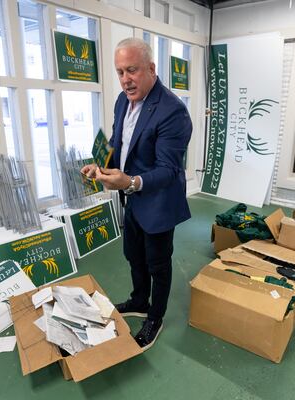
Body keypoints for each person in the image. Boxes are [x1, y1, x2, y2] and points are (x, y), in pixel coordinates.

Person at [81, 38, 192, 350]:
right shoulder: (121, 100)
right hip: (131, 197)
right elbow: (121, 144)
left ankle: (155, 317)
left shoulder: (173, 112)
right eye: (120, 72)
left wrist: (129, 182)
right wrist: (101, 165)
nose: (125, 79)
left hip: (157, 200)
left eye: (132, 70)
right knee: (133, 255)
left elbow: (168, 170)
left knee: (158, 262)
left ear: (151, 69)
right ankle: (140, 299)